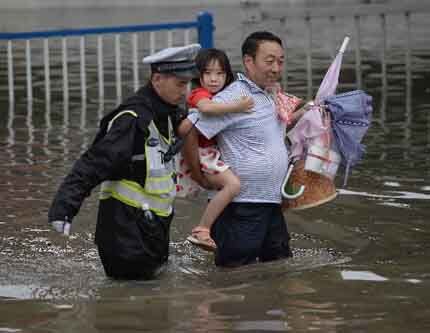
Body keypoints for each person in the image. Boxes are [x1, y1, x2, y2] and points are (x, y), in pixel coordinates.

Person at [48, 43, 201, 279]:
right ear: (157, 79)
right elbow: (93, 163)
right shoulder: (132, 119)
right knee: (134, 307)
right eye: (180, 83)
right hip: (124, 233)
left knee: (155, 304)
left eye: (188, 83)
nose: (185, 91)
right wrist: (64, 207)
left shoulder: (170, 114)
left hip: (152, 229)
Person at [181, 31, 303, 267]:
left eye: (280, 61)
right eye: (269, 61)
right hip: (240, 208)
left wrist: (311, 110)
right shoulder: (235, 97)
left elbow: (278, 130)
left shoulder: (270, 96)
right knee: (233, 278)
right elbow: (188, 129)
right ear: (249, 61)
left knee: (278, 270)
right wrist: (199, 176)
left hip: (271, 204)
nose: (276, 68)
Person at [177, 48, 254, 252]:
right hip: (203, 153)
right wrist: (238, 106)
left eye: (219, 73)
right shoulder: (198, 94)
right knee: (233, 185)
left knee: (230, 188)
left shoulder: (223, 95)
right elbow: (207, 108)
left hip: (211, 152)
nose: (214, 79)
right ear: (199, 76)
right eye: (208, 73)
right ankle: (202, 228)